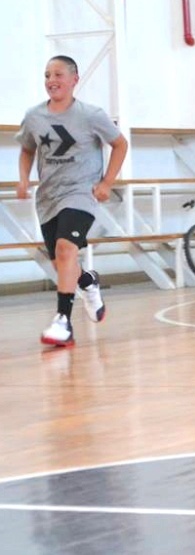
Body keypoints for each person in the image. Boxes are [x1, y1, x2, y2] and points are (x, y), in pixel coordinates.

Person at [16, 55, 128, 347]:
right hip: (48, 197)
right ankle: (88, 284)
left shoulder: (91, 115)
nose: (51, 81)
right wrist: (24, 179)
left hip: (81, 192)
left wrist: (107, 182)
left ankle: (63, 322)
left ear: (74, 79)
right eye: (47, 75)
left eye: (58, 74)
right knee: (61, 262)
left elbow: (119, 144)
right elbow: (27, 149)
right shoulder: (34, 116)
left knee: (67, 250)